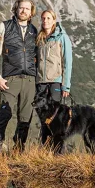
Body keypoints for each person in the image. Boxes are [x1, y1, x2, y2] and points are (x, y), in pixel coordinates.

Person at [0, 0, 39, 151]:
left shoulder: (34, 31)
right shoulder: (4, 27)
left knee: (25, 118)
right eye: (21, 8)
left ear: (31, 13)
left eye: (27, 9)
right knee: (4, 114)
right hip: (10, 78)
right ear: (16, 9)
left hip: (30, 80)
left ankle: (19, 150)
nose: (23, 11)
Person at [34, 9, 73, 149]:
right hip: (40, 83)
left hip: (56, 81)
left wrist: (66, 85)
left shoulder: (62, 37)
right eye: (43, 18)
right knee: (43, 119)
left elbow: (67, 62)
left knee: (55, 118)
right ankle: (44, 149)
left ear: (54, 20)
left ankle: (57, 151)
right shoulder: (39, 38)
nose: (45, 21)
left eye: (49, 18)